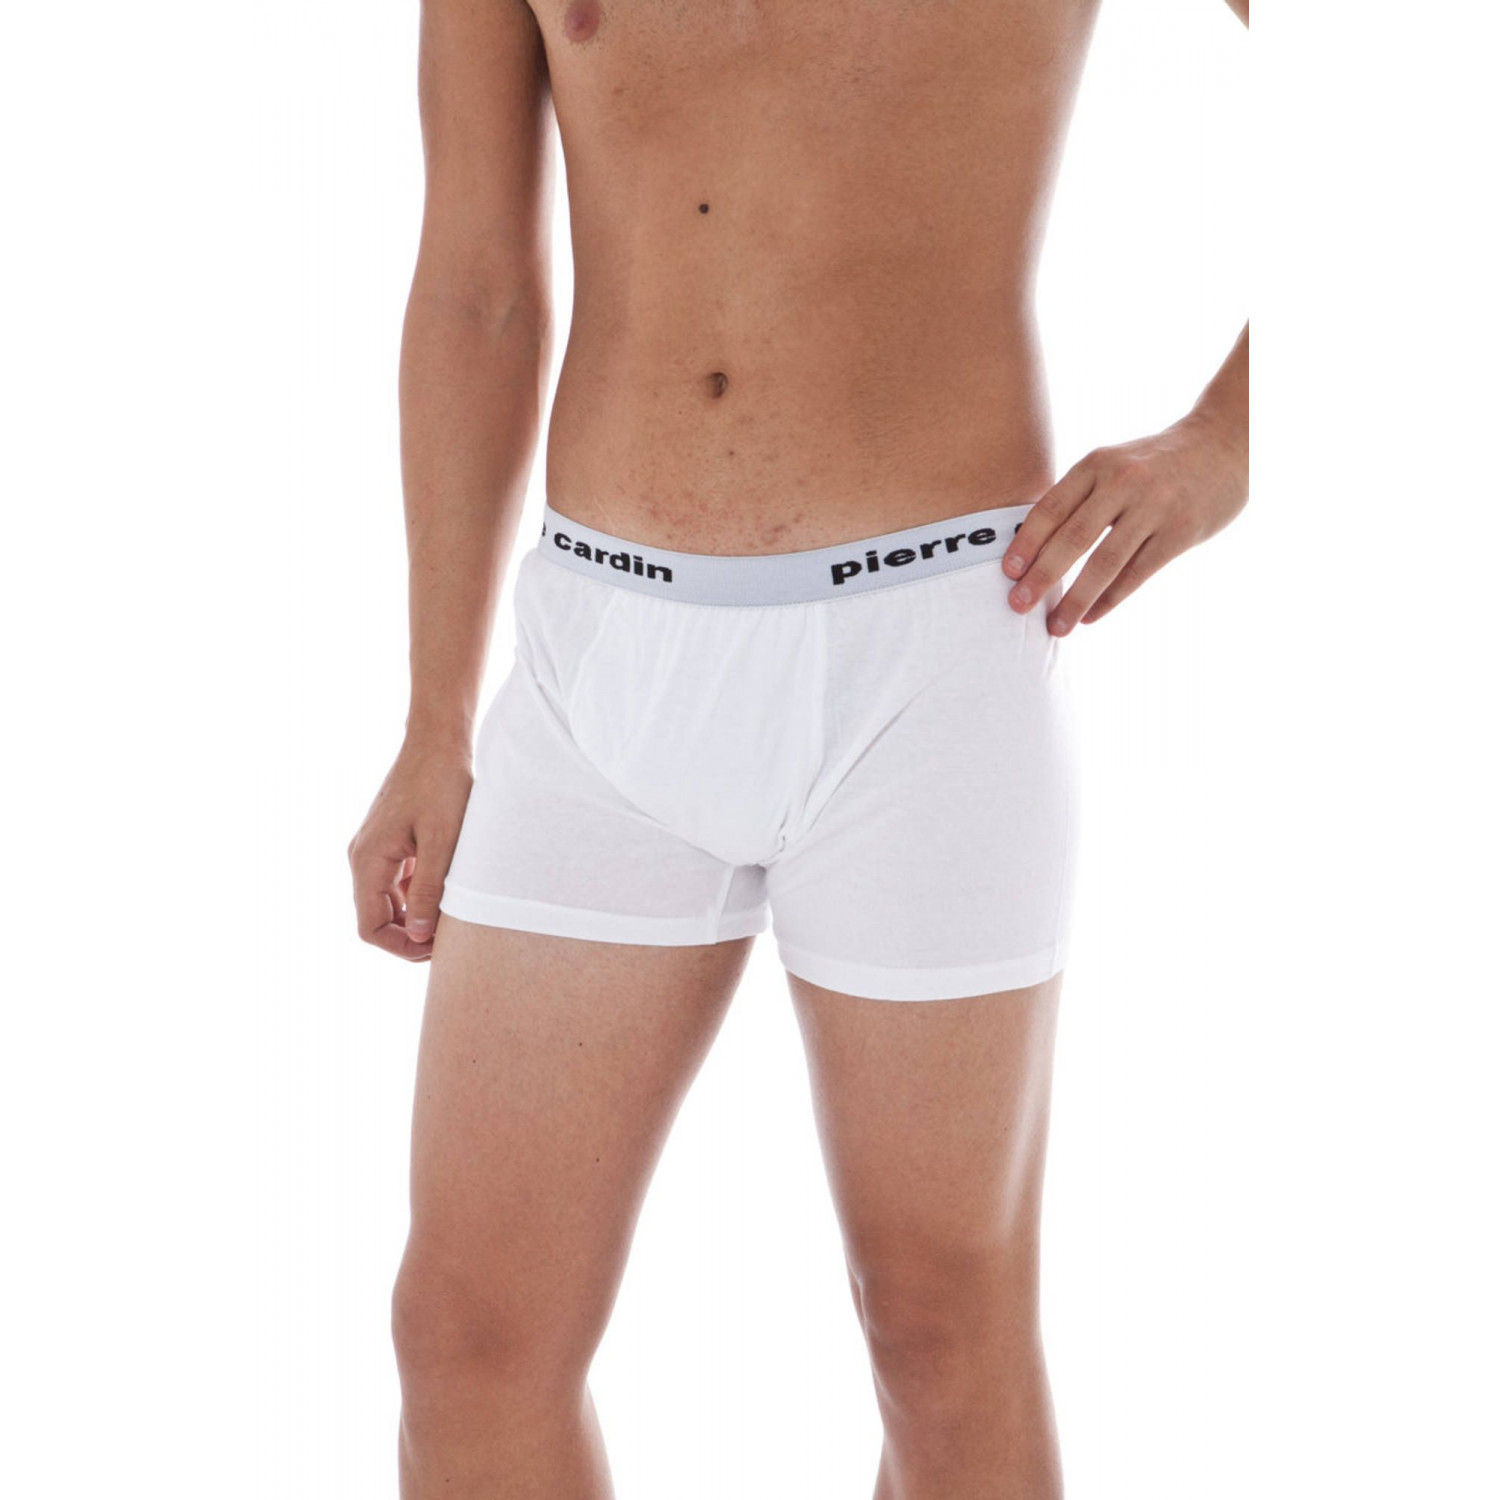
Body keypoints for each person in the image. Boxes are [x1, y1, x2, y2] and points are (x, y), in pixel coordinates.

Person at [348, 0, 1248, 1493]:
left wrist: (1228, 441)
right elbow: (475, 290)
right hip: (596, 668)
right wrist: (432, 718)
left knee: (940, 1335)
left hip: (931, 661)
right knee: (467, 1336)